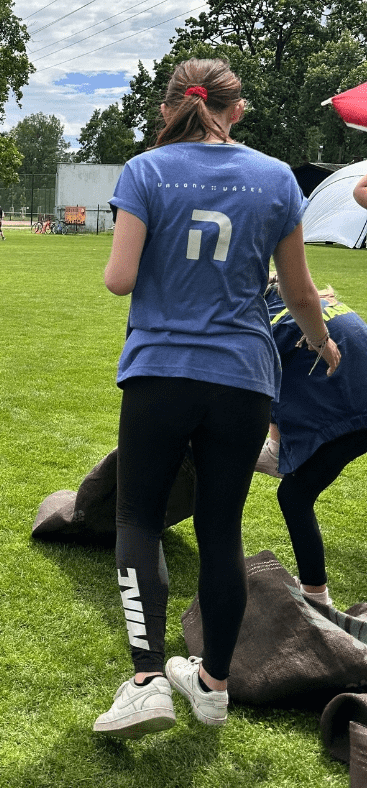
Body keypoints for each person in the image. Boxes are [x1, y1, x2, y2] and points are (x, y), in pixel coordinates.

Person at [93, 57, 340, 740]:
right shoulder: (277, 177)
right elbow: (299, 292)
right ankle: (212, 687)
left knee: (139, 518)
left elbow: (119, 279)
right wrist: (322, 341)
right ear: (236, 110)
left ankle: (147, 680)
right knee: (220, 529)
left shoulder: (146, 170)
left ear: (169, 108)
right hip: (244, 377)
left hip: (161, 370)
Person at [254, 277, 367, 607]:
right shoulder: (320, 302)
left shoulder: (275, 322)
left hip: (355, 412)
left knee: (294, 496)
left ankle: (316, 597)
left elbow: (250, 384)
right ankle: (277, 450)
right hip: (355, 400)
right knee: (284, 373)